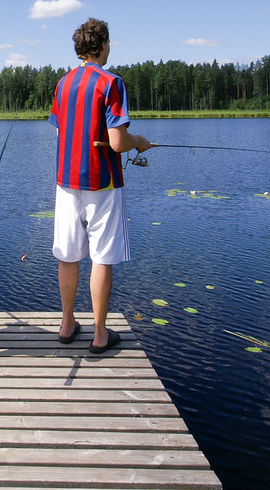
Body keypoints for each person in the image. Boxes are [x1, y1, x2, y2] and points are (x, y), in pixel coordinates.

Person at [50, 18, 151, 354]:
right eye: (109, 43)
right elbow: (118, 141)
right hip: (102, 182)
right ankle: (99, 334)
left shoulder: (63, 83)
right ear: (102, 44)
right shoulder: (111, 82)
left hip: (66, 182)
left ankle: (66, 324)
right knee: (102, 257)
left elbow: (61, 129)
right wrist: (138, 141)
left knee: (68, 254)